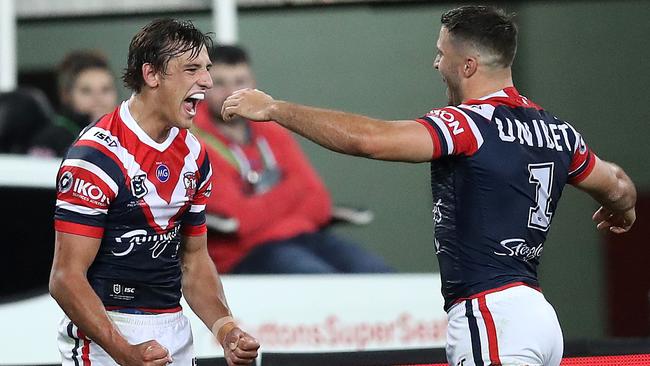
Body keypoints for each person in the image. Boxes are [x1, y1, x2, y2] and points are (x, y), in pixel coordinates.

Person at [221, 5, 636, 366]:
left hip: (490, 315)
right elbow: (617, 184)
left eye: (442, 54)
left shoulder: (466, 125)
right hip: (540, 318)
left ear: (468, 65)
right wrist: (623, 208)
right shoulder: (559, 132)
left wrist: (274, 108)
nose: (436, 65)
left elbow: (370, 140)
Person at [49, 19, 259, 366]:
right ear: (152, 74)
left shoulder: (194, 154)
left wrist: (225, 329)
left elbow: (194, 261)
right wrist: (124, 352)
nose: (206, 81)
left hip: (174, 330)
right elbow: (65, 278)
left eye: (206, 69)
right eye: (192, 69)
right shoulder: (97, 156)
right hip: (105, 340)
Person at [194, 45, 393, 274]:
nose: (231, 92)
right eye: (219, 83)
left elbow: (319, 200)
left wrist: (262, 204)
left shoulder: (270, 128)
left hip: (305, 238)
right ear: (205, 86)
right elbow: (240, 221)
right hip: (246, 253)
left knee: (379, 273)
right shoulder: (193, 140)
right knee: (319, 281)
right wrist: (292, 190)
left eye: (240, 82)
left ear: (253, 84)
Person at [29, 50, 118, 157]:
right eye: (86, 91)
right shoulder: (50, 138)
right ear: (66, 95)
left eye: (106, 89)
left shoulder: (129, 133)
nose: (98, 99)